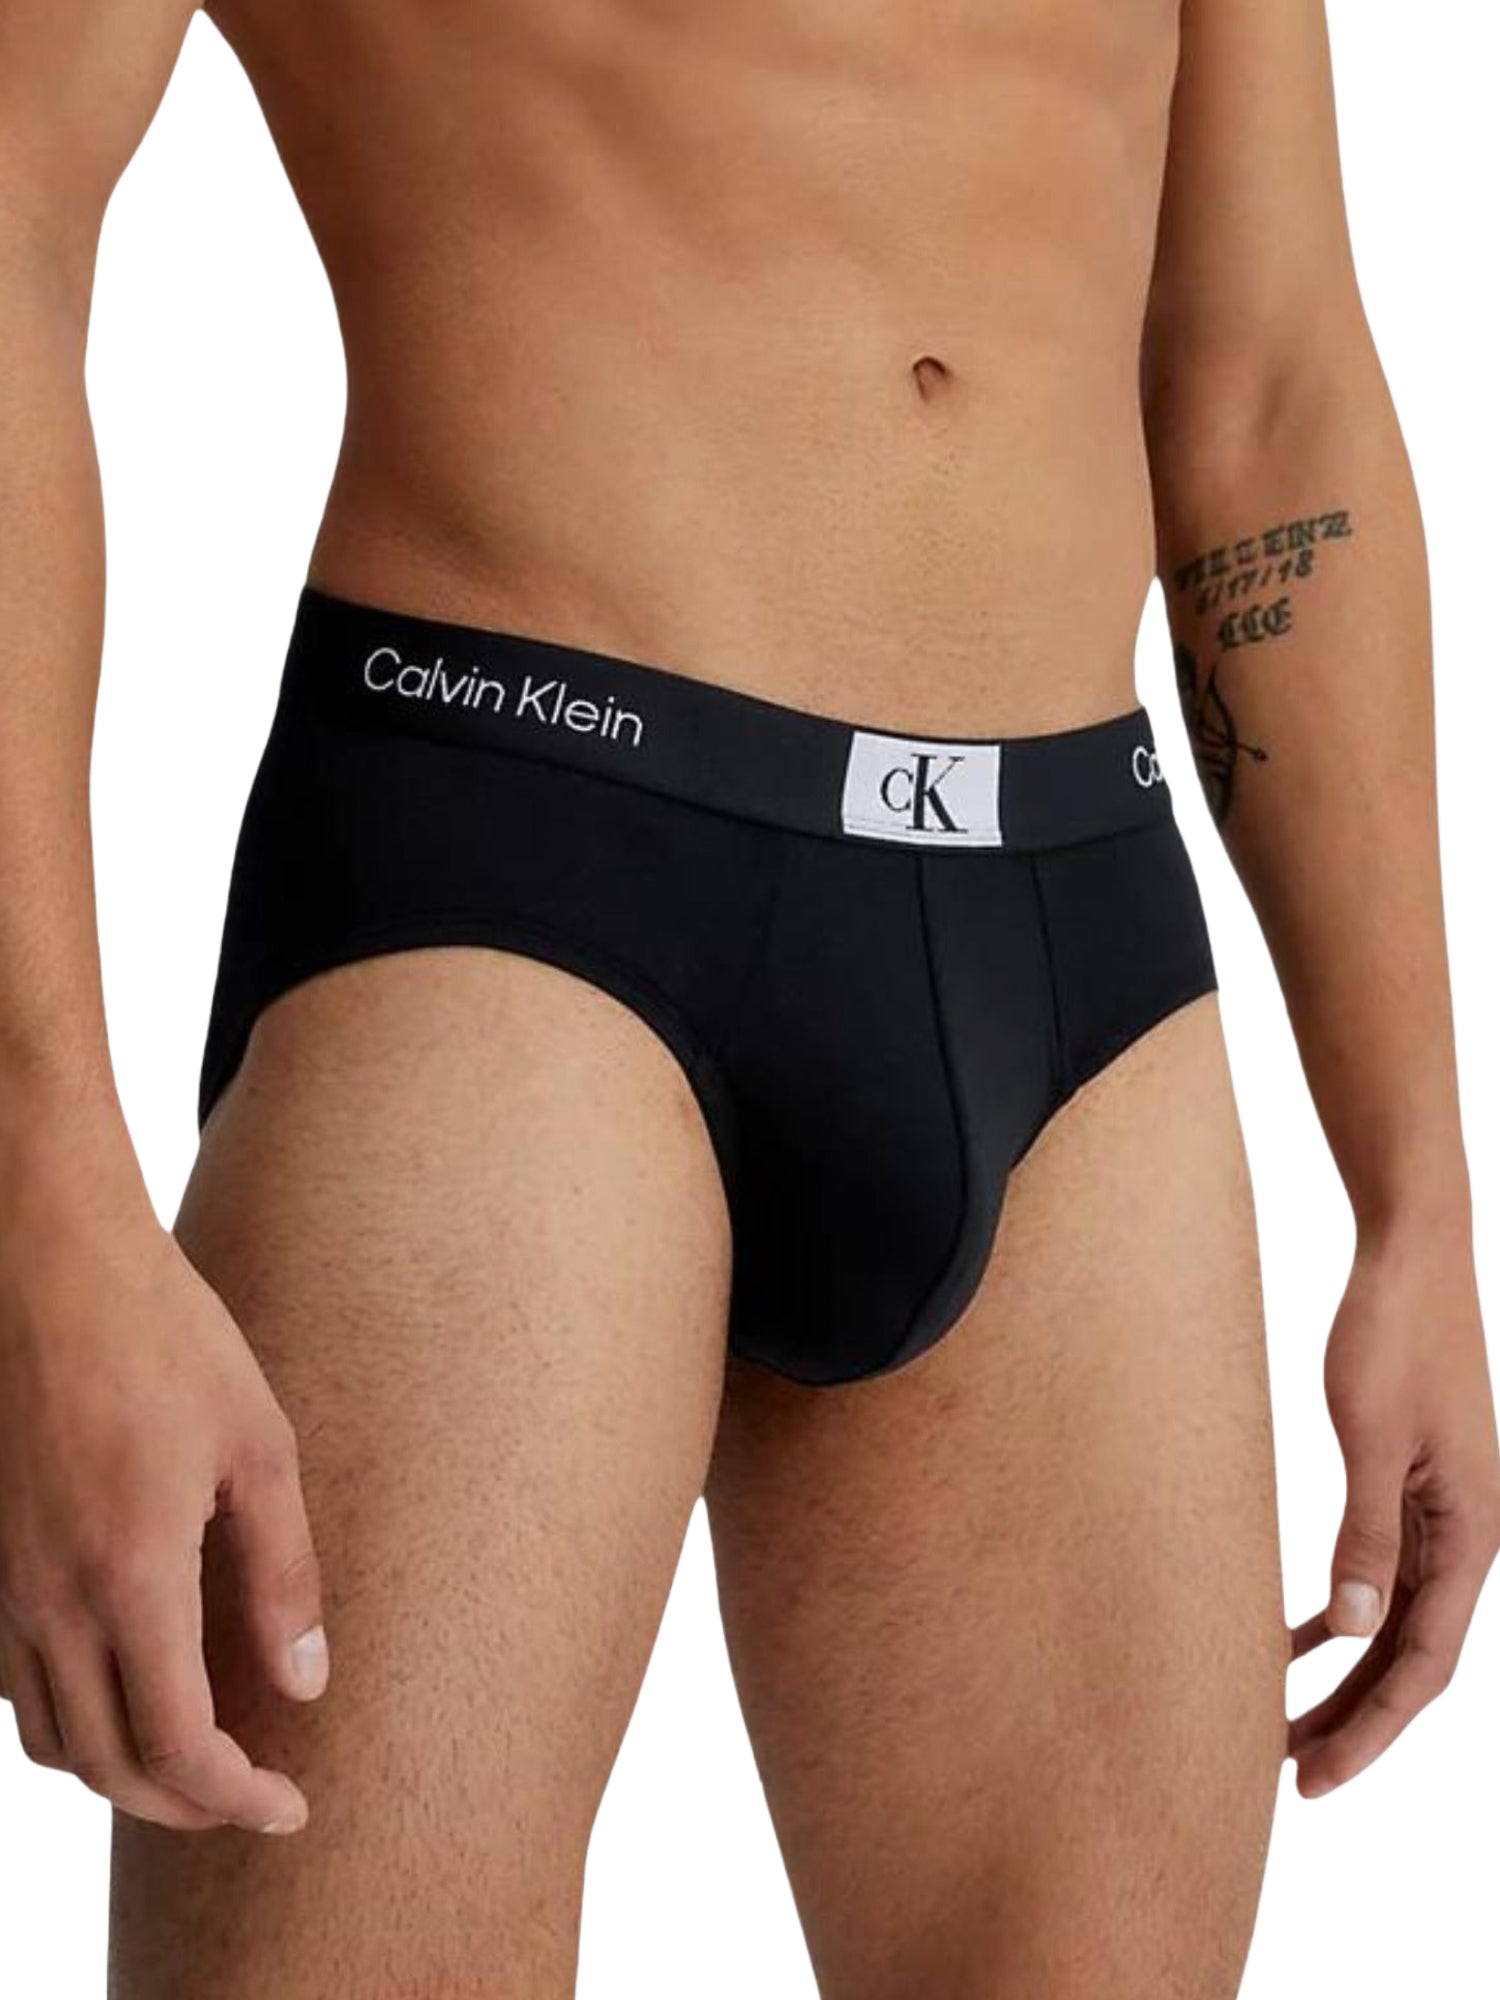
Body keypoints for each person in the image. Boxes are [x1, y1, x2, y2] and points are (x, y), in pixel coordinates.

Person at [0, 0, 1494, 1993]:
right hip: (525, 873)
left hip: (1077, 948)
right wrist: (44, 1207)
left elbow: (1268, 386)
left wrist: (1415, 1201)